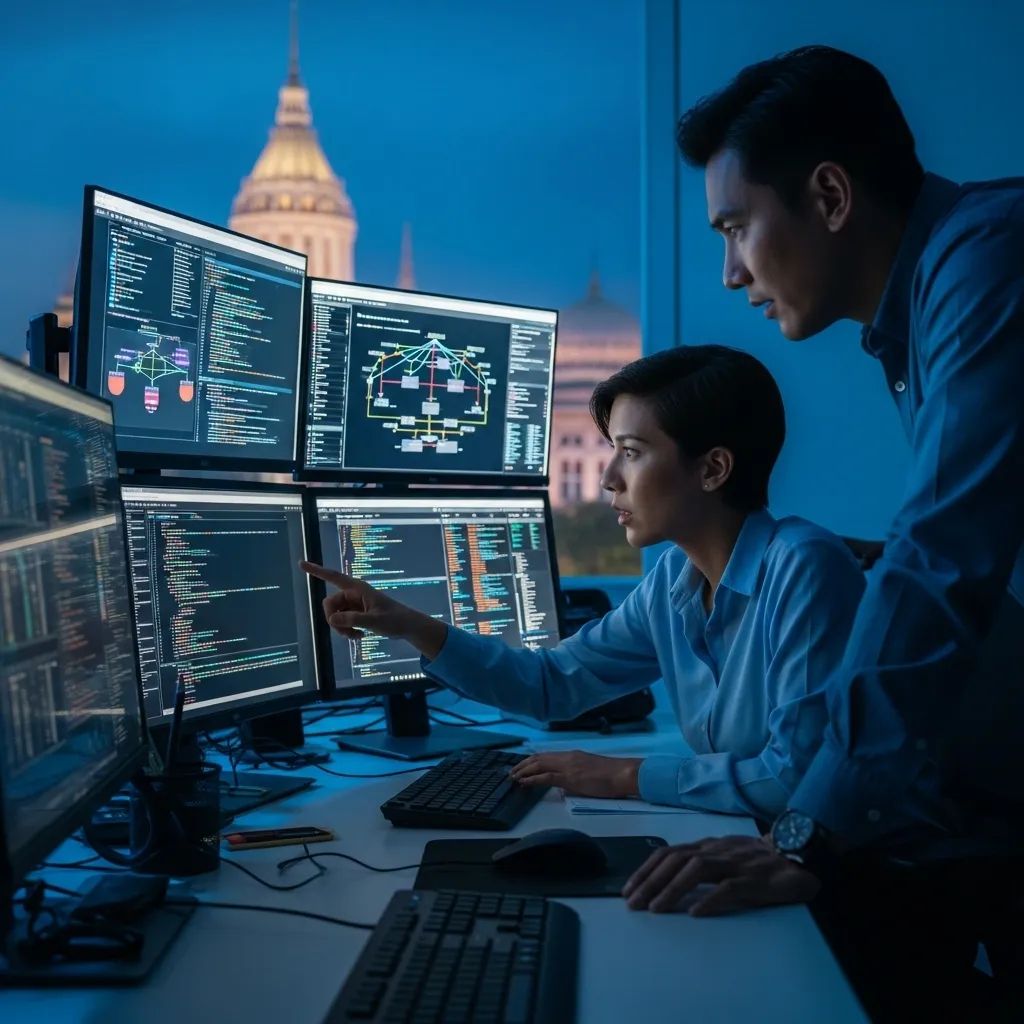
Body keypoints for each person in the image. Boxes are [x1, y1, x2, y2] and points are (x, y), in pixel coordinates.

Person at [620, 44, 1024, 1020]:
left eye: (734, 229)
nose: (727, 273)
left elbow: (942, 563)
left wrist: (801, 834)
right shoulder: (923, 309)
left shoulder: (985, 259)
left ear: (830, 196)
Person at [303, 344, 865, 821]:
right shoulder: (674, 579)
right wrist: (408, 626)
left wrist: (621, 775)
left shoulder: (805, 568)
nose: (608, 479)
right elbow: (551, 684)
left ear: (713, 468)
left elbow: (795, 779)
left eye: (632, 453)